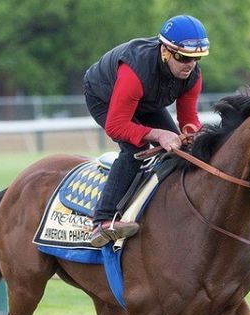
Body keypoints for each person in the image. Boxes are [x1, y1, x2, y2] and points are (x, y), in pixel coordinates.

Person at [83, 14, 210, 247]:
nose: (190, 65)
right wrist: (158, 134)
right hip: (106, 96)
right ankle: (101, 220)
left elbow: (189, 119)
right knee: (135, 147)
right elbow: (116, 126)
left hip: (145, 100)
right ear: (165, 51)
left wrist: (196, 135)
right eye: (183, 58)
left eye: (197, 58)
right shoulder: (136, 71)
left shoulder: (193, 75)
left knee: (180, 150)